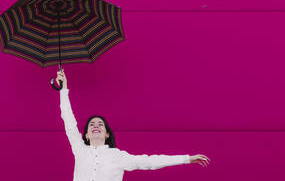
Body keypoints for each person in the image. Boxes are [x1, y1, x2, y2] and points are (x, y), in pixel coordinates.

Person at [55, 68, 210, 181]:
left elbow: (150, 162)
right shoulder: (80, 150)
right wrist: (63, 89)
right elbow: (68, 119)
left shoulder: (118, 156)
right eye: (92, 124)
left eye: (100, 124)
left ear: (107, 134)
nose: (96, 125)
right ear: (87, 135)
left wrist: (186, 158)